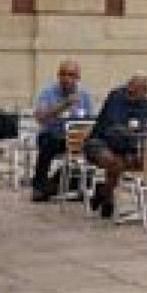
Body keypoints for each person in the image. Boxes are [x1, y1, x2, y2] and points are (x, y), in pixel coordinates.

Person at [85, 73, 147, 219]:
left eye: (141, 90)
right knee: (114, 161)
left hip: (125, 146)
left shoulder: (146, 104)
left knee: (135, 162)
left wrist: (129, 135)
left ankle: (103, 192)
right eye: (130, 89)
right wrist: (129, 131)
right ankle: (107, 198)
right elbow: (114, 126)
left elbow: (140, 127)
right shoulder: (116, 96)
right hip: (99, 142)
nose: (132, 93)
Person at [29, 61, 93, 202]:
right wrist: (63, 105)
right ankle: (39, 187)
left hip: (74, 139)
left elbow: (90, 121)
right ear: (58, 75)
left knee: (94, 146)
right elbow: (40, 118)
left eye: (70, 75)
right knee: (47, 143)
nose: (66, 78)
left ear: (78, 77)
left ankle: (81, 185)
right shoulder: (48, 92)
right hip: (52, 135)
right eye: (62, 74)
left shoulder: (84, 95)